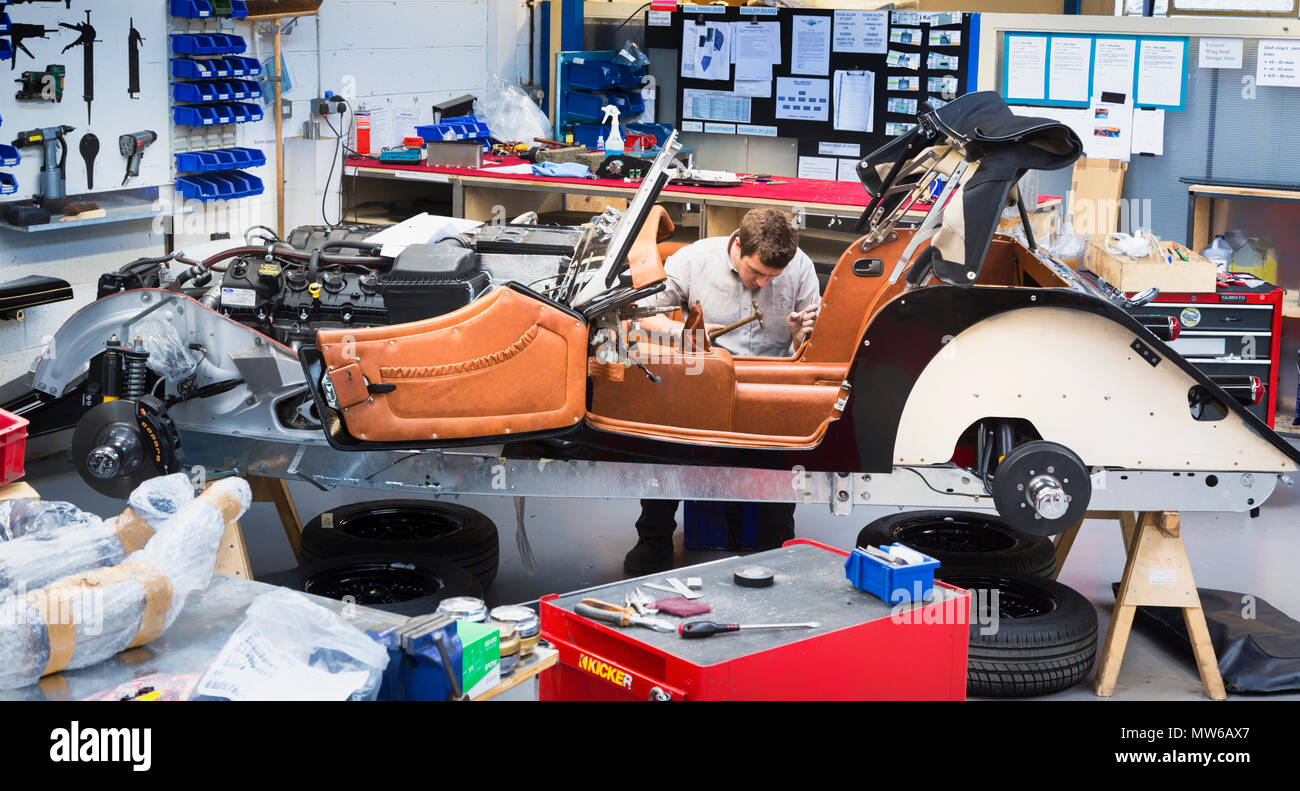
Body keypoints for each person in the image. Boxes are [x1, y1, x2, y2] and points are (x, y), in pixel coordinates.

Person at [623, 207, 821, 576]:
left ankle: (775, 545)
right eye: (756, 273)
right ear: (737, 247)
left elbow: (815, 345)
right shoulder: (695, 260)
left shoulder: (800, 267)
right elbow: (636, 312)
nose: (762, 283)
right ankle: (654, 538)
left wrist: (798, 336)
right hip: (703, 378)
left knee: (778, 467)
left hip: (768, 383)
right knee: (666, 446)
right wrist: (681, 333)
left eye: (771, 278)